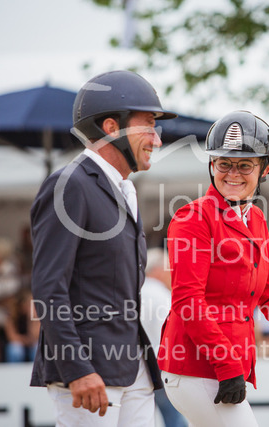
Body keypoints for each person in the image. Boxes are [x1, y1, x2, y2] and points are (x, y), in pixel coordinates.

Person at [158, 111, 269, 427]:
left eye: (245, 165)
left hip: (226, 367)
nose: (233, 174)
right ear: (212, 165)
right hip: (197, 368)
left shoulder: (255, 219)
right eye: (224, 164)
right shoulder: (193, 218)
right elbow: (188, 302)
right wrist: (226, 364)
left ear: (265, 168)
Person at [29, 70, 176, 426]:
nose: (157, 140)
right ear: (112, 127)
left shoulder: (124, 189)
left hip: (133, 366)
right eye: (148, 125)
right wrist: (76, 368)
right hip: (89, 370)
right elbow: (49, 287)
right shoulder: (70, 185)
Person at [140, 248, 187, 427]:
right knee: (174, 418)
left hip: (137, 365)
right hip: (161, 365)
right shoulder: (161, 295)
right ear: (158, 270)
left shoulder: (135, 292)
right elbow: (171, 333)